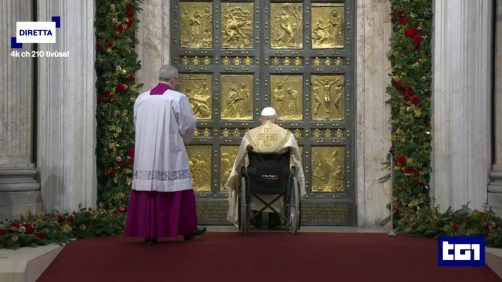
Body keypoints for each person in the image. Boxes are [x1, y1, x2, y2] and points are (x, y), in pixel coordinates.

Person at [125, 65, 206, 245]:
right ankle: (186, 230)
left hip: (146, 152)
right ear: (173, 79)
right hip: (170, 152)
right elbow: (188, 124)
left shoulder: (141, 98)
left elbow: (136, 121)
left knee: (149, 189)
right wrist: (184, 138)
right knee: (176, 186)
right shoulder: (177, 98)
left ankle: (150, 234)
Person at [225, 107, 305, 228]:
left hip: (256, 180)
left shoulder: (250, 135)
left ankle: (256, 215)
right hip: (280, 180)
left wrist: (236, 174)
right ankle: (274, 216)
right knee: (285, 173)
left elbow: (240, 159)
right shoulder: (287, 136)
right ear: (276, 120)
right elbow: (297, 160)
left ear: (260, 120)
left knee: (248, 174)